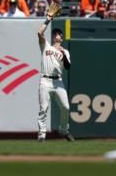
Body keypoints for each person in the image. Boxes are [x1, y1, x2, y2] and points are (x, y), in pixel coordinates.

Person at [37, 14, 75, 142]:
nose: (55, 35)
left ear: (62, 38)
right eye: (54, 33)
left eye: (58, 33)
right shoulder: (46, 46)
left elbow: (68, 67)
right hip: (45, 80)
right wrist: (48, 19)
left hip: (58, 81)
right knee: (44, 108)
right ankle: (42, 135)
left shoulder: (65, 52)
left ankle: (64, 130)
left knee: (66, 107)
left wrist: (63, 54)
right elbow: (39, 32)